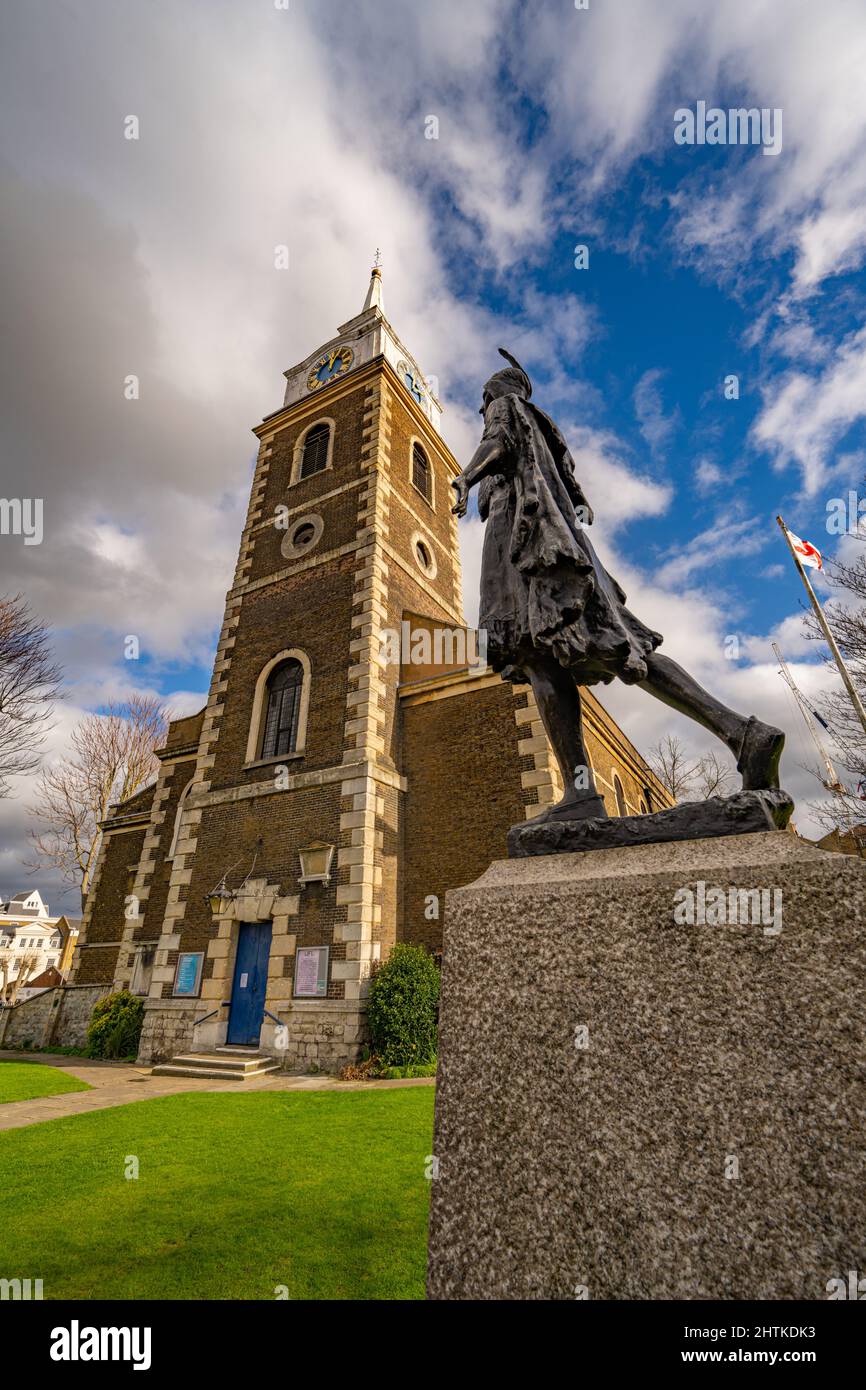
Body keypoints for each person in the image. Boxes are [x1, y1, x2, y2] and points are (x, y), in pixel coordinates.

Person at [451, 349, 784, 823]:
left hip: (528, 556)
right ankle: (739, 733)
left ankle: (582, 793)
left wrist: (463, 477)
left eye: (482, 401)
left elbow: (498, 439)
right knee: (623, 651)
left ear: (494, 394)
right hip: (563, 550)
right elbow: (574, 499)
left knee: (541, 658)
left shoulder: (508, 408)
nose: (482, 410)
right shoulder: (549, 437)